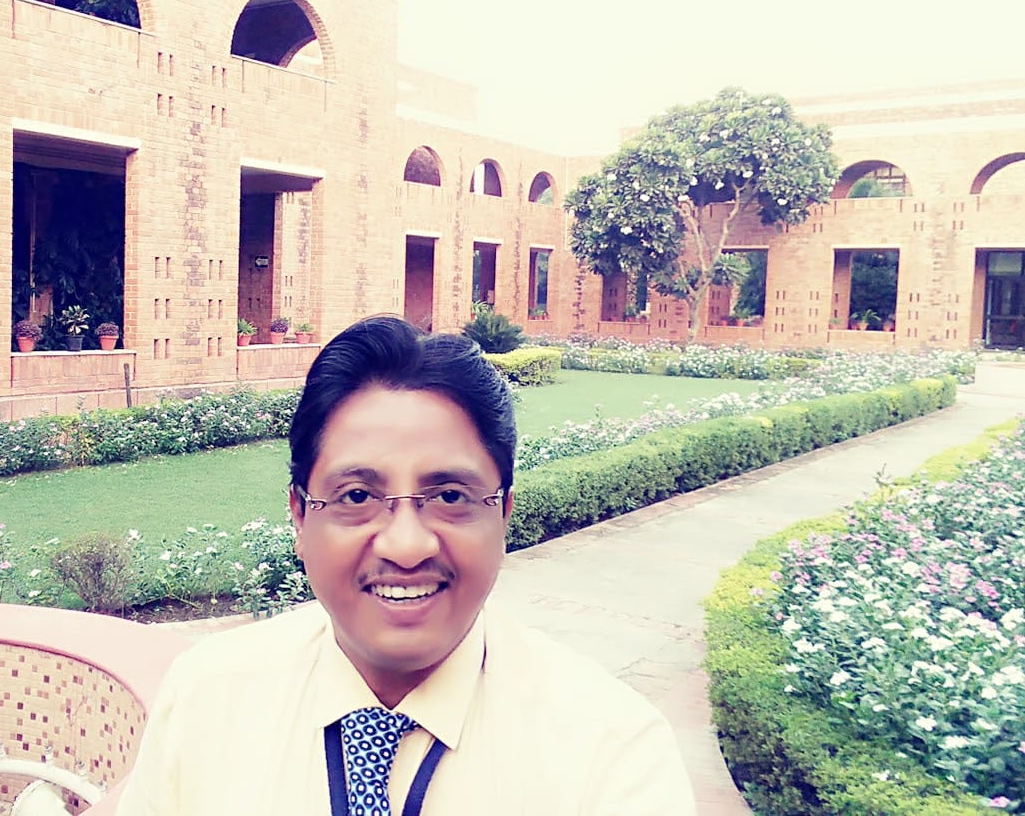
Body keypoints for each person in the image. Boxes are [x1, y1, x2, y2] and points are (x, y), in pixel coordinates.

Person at [115, 316, 695, 815]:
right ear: (299, 514)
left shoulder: (612, 756)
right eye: (357, 496)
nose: (407, 546)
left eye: (449, 496)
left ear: (503, 514)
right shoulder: (206, 699)